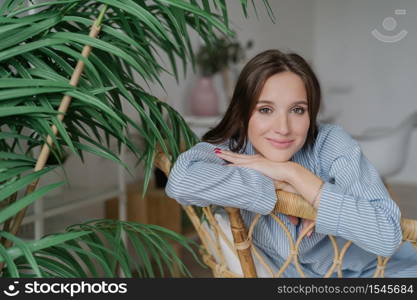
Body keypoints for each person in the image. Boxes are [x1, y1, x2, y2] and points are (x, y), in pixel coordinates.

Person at [165, 49, 417, 277]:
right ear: (243, 112)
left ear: (311, 113)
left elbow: (386, 234)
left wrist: (297, 176)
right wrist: (274, 182)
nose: (283, 128)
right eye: (265, 109)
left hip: (382, 271)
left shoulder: (330, 142)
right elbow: (180, 181)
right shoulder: (233, 150)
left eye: (297, 110)